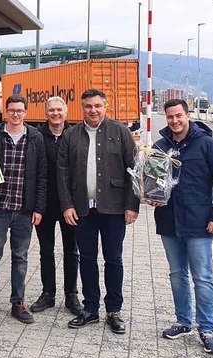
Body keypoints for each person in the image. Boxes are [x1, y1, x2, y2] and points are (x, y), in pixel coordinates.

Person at [150, 99, 213, 354]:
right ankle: (183, 321)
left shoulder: (207, 144)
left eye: (179, 116)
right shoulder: (160, 146)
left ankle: (206, 328)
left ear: (188, 115)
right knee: (177, 275)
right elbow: (151, 179)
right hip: (169, 221)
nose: (174, 121)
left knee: (203, 277)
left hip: (200, 223)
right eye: (170, 117)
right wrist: (151, 194)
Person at [57, 89, 139, 334]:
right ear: (82, 108)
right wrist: (67, 205)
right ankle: (91, 309)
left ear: (106, 106)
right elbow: (62, 174)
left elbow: (134, 171)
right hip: (82, 210)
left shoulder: (121, 133)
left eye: (97, 106)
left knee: (113, 259)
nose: (93, 110)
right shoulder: (71, 135)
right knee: (88, 259)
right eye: (88, 106)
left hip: (114, 209)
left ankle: (113, 310)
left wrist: (132, 205)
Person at [0, 94, 47, 325]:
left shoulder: (35, 137)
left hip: (24, 209)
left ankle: (18, 303)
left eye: (20, 110)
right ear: (6, 112)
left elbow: (42, 176)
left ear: (26, 112)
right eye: (11, 110)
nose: (15, 114)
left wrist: (39, 208)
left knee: (20, 258)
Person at [30, 96, 82, 315]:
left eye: (59, 110)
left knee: (72, 251)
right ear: (46, 113)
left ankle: (71, 295)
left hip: (70, 205)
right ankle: (48, 293)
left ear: (66, 112)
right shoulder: (36, 137)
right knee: (46, 250)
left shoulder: (75, 135)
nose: (56, 114)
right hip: (45, 204)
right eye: (51, 110)